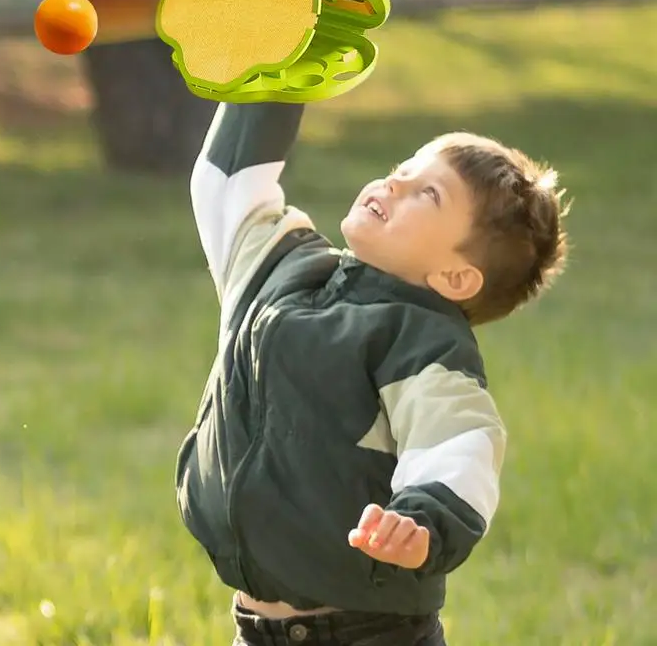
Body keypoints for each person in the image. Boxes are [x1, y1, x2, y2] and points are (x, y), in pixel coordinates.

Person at [176, 101, 569, 645]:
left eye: (426, 194)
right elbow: (227, 185)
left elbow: (459, 441)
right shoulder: (279, 268)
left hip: (367, 634)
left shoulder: (419, 340)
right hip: (255, 629)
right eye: (401, 170)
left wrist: (422, 521)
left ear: (455, 276)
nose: (393, 185)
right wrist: (278, 78)